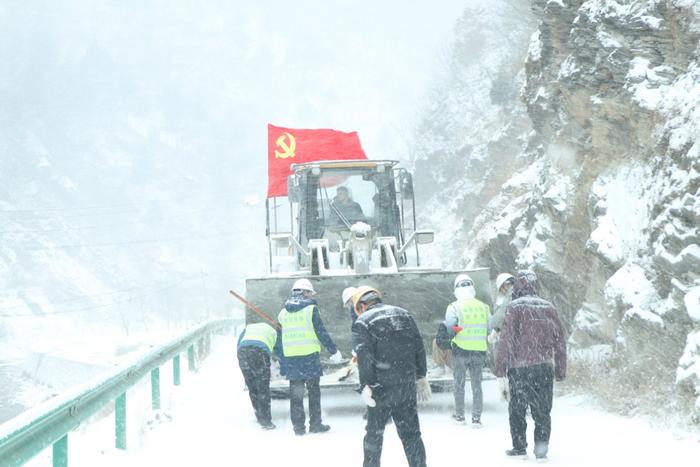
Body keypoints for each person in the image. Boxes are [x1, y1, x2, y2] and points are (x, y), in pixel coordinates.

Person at [352, 286, 430, 467]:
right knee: (412, 435)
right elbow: (419, 347)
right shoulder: (404, 314)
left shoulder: (364, 321)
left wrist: (366, 385)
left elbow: (365, 358)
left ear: (363, 305)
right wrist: (421, 376)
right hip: (406, 385)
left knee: (374, 436)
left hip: (381, 389)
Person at [495, 270, 567, 461]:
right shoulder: (548, 307)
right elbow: (560, 340)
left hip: (520, 368)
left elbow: (506, 339)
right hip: (544, 366)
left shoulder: (515, 307)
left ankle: (519, 448)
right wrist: (560, 369)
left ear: (518, 286)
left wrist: (500, 369)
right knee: (543, 410)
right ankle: (541, 451)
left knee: (517, 409)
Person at [278, 278, 343, 435]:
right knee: (314, 392)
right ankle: (315, 424)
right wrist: (333, 350)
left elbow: (280, 339)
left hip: (292, 358)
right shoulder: (311, 309)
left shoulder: (283, 313)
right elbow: (320, 331)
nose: (311, 296)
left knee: (296, 394)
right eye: (309, 293)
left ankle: (299, 428)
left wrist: (282, 361)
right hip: (309, 357)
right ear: (304, 292)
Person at [444, 273, 490, 426]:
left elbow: (450, 329)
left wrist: (460, 329)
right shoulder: (484, 307)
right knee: (477, 386)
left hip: (461, 351)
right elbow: (489, 329)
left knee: (459, 384)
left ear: (456, 289)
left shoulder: (454, 307)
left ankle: (460, 417)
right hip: (479, 352)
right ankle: (476, 419)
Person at [237, 321, 284, 430]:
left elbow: (239, 343)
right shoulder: (274, 333)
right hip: (259, 352)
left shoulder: (248, 328)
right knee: (263, 387)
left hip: (242, 352)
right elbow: (280, 352)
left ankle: (259, 415)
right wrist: (284, 368)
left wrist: (242, 362)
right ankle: (266, 421)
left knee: (252, 386)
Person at [487, 273, 515, 367]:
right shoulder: (521, 293)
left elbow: (500, 318)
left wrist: (495, 331)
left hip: (511, 337)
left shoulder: (509, 297)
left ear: (505, 285)